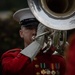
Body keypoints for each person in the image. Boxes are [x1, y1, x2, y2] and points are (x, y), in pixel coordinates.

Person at [1, 8, 66, 75]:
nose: (35, 32)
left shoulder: (56, 59)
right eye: (29, 28)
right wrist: (36, 44)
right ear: (21, 33)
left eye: (38, 29)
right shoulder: (10, 56)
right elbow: (11, 71)